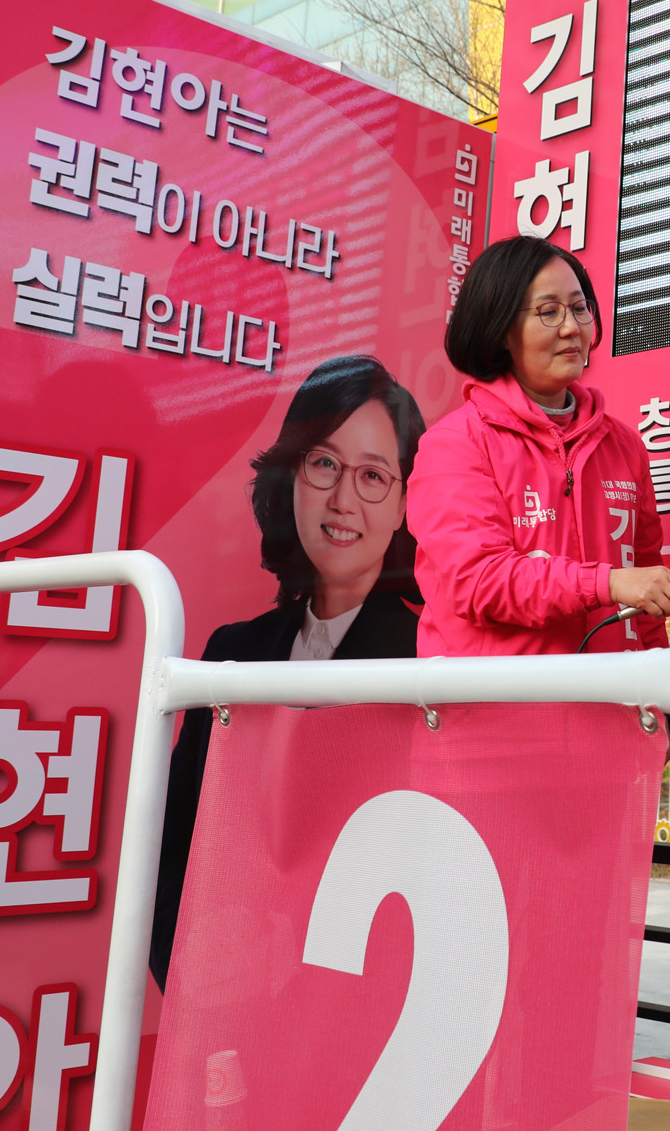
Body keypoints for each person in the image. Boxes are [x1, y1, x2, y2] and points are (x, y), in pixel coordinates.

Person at [150, 354, 426, 987]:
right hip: (222, 983)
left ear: (405, 503)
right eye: (324, 463)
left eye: (373, 476)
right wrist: (186, 972)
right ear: (291, 474)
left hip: (360, 993)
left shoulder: (428, 660)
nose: (343, 500)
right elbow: (177, 840)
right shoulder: (232, 650)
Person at [407, 234, 670, 659]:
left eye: (580, 308)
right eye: (548, 312)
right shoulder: (454, 444)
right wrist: (607, 583)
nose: (571, 327)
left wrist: (655, 691)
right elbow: (478, 582)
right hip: (497, 699)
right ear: (499, 328)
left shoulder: (624, 446)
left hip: (612, 696)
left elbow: (647, 600)